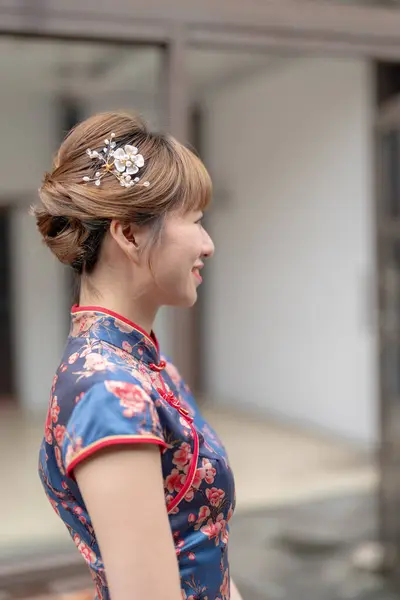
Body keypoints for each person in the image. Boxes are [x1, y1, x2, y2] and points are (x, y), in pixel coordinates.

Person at [33, 112, 241, 600]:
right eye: (194, 221)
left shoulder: (146, 368)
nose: (208, 244)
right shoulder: (108, 389)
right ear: (128, 234)